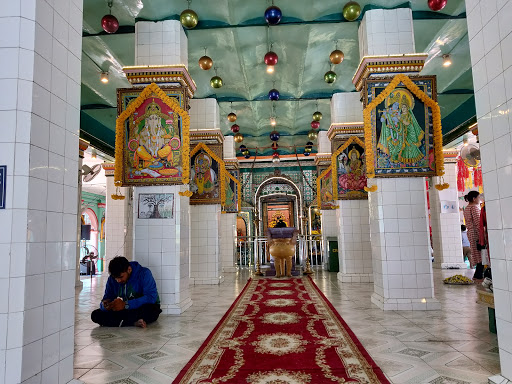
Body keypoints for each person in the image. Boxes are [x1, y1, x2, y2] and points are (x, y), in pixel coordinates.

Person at [91, 256, 162, 328]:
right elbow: (107, 298)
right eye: (115, 278)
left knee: (151, 311)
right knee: (95, 315)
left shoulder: (144, 273)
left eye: (121, 277)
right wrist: (105, 306)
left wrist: (126, 305)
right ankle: (133, 322)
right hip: (124, 311)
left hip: (140, 308)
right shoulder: (112, 279)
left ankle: (121, 322)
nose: (118, 281)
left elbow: (151, 297)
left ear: (129, 269)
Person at [463, 191, 483, 280]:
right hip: (476, 232)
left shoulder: (467, 208)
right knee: (480, 253)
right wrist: (482, 235)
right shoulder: (474, 208)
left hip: (470, 233)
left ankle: (478, 274)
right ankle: (479, 274)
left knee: (476, 252)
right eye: (479, 197)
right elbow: (478, 222)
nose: (480, 199)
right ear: (474, 199)